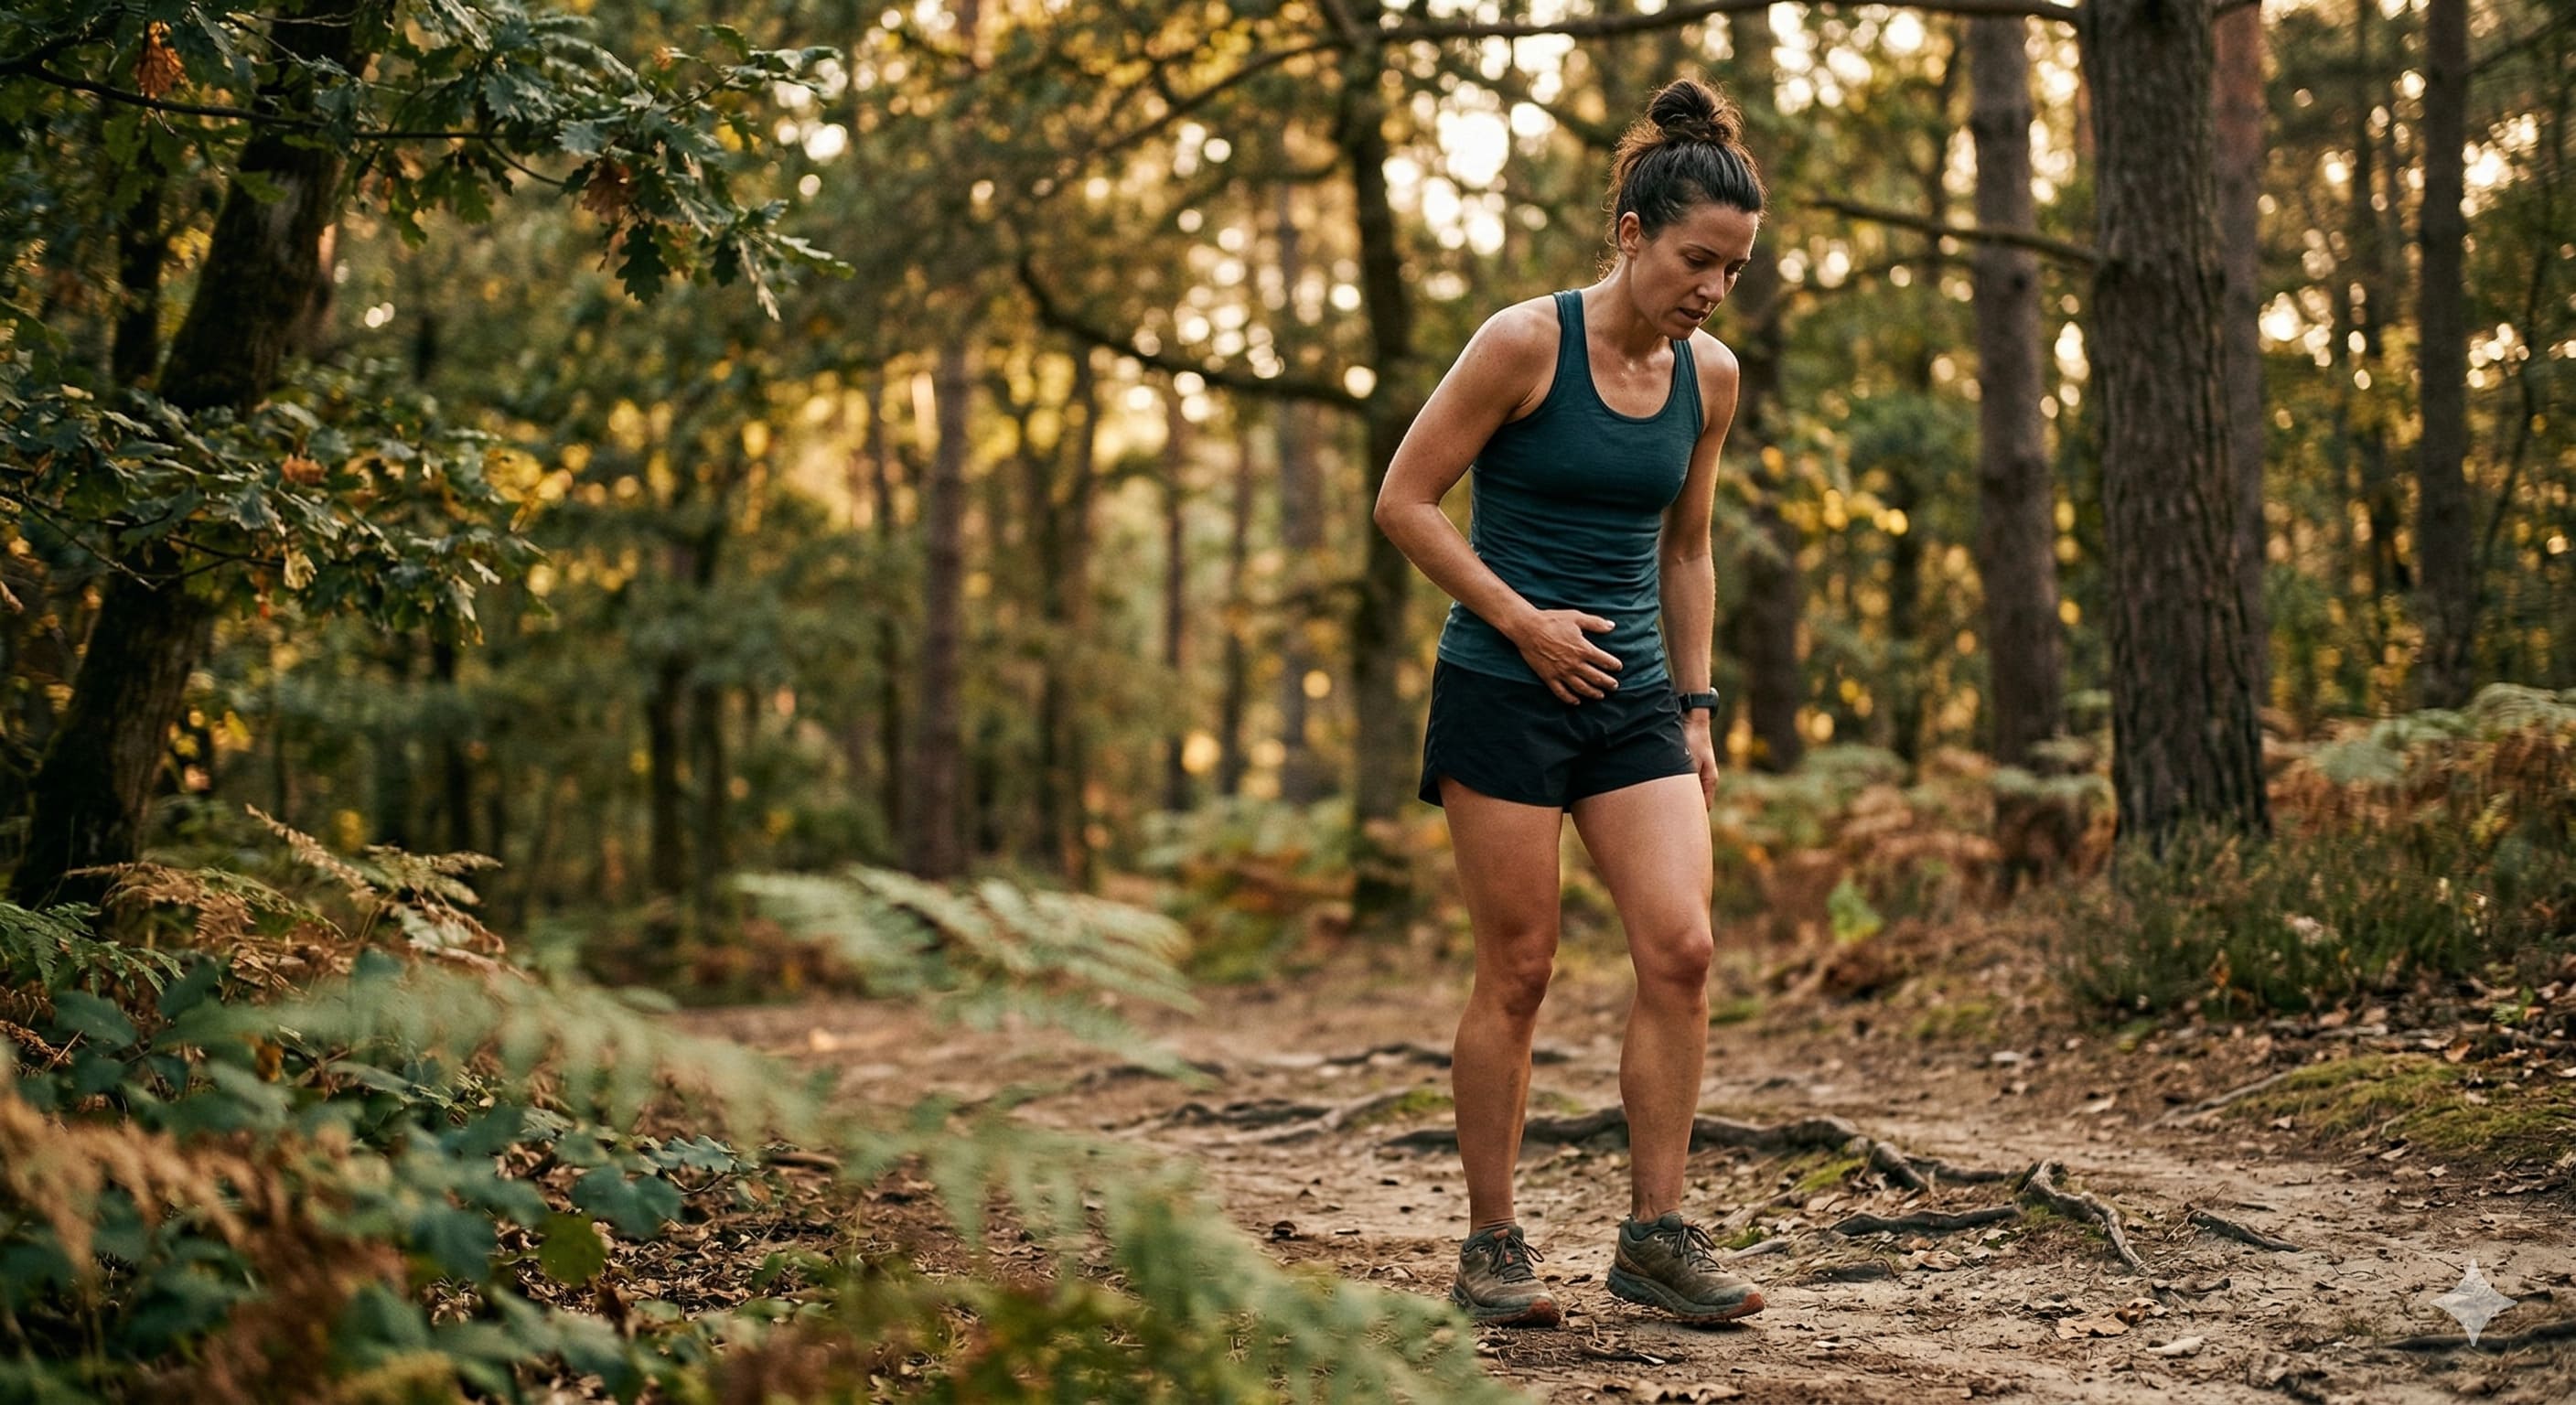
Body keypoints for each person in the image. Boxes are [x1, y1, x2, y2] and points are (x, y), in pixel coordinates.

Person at [1371, 75, 1766, 1329]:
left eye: (1735, 271)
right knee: (1522, 970)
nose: (1710, 289)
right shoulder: (1523, 344)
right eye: (1698, 259)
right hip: (1503, 689)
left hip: (1636, 699)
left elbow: (1688, 551)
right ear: (1634, 235)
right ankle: (1493, 1246)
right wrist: (1520, 618)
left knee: (1684, 948)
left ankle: (1655, 1234)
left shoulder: (1712, 378)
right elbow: (1405, 502)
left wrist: (1696, 711)